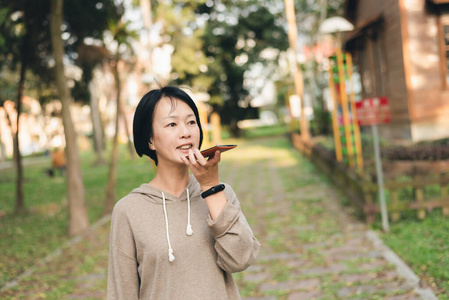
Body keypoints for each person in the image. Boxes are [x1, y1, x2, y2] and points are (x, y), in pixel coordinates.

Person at [107, 86, 260, 299]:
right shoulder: (128, 211)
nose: (185, 132)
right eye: (171, 124)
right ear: (150, 139)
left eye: (191, 122)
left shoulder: (221, 194)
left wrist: (210, 188)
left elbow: (241, 259)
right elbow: (122, 293)